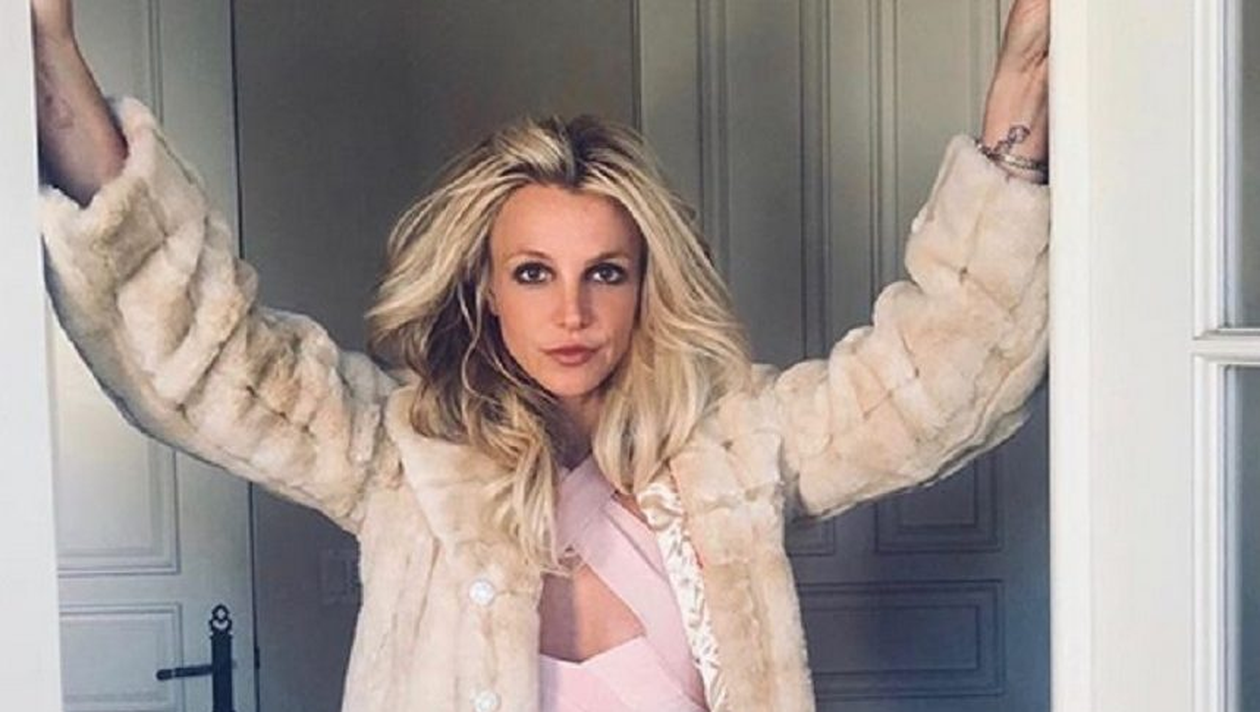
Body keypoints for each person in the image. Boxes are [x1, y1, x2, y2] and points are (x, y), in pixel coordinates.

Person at [31, 0, 1050, 710]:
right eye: (532, 273)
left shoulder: (731, 451)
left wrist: (1014, 140)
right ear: (485, 285)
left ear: (646, 285)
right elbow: (206, 359)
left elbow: (936, 382)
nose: (572, 312)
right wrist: (53, 76)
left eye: (606, 272)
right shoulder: (401, 454)